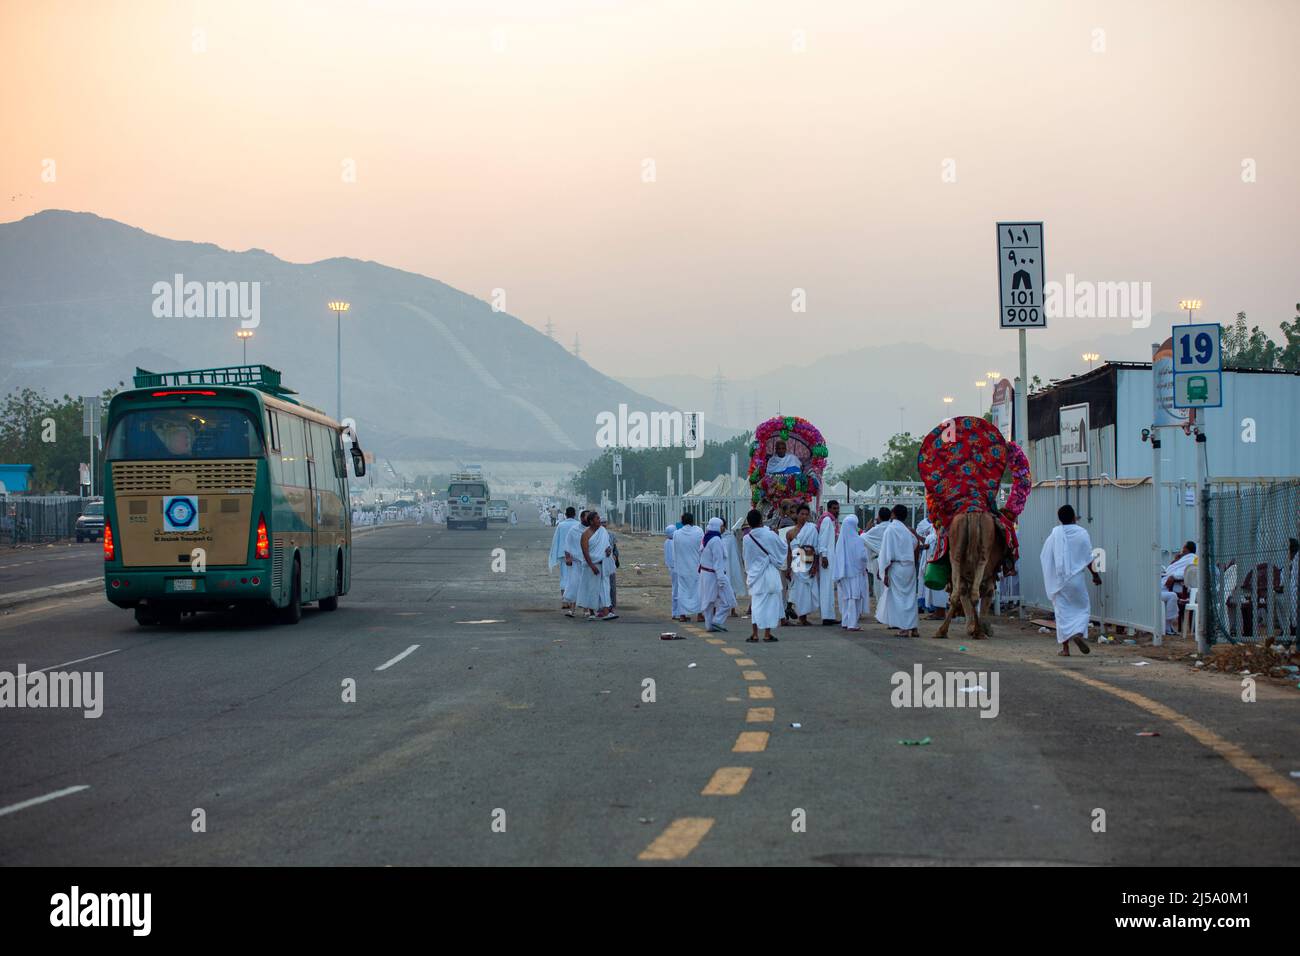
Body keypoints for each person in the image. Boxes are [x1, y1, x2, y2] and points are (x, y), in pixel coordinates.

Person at [1040, 504, 1100, 656]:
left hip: (1060, 581)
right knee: (1082, 608)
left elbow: (1046, 557)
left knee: (1062, 613)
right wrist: (1095, 575)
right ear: (1074, 517)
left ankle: (1065, 649)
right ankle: (1078, 634)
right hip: (1077, 580)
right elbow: (1088, 558)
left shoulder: (1055, 535)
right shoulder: (1082, 533)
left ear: (1060, 519)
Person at [743, 509, 785, 642]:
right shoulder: (770, 535)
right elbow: (783, 548)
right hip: (770, 572)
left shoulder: (746, 538)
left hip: (755, 575)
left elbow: (746, 558)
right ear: (761, 520)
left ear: (749, 523)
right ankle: (767, 634)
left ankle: (755, 634)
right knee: (771, 605)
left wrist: (750, 571)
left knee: (756, 604)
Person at [878, 505, 921, 637]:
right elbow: (915, 543)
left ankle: (904, 628)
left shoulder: (890, 530)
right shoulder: (906, 530)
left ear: (893, 514)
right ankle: (913, 627)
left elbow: (885, 553)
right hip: (909, 566)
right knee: (910, 597)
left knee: (899, 598)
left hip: (897, 566)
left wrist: (884, 571)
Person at [831, 514, 869, 630]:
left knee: (847, 597)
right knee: (854, 597)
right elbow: (862, 557)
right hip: (856, 573)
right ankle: (853, 624)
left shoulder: (840, 540)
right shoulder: (858, 540)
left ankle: (846, 621)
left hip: (844, 573)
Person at [699, 517, 737, 632]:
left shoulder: (706, 538)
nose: (723, 528)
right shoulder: (715, 540)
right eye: (721, 526)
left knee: (709, 601)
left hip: (706, 574)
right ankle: (717, 621)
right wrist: (721, 579)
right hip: (715, 574)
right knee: (729, 600)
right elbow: (718, 562)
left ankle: (709, 625)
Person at [578, 510, 616, 620]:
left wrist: (609, 551)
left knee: (605, 588)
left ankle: (606, 611)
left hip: (603, 563)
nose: (599, 520)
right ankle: (592, 613)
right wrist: (592, 566)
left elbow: (607, 546)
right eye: (597, 519)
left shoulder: (603, 531)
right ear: (591, 521)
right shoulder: (585, 534)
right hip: (591, 565)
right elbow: (585, 552)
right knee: (592, 588)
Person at [786, 503, 818, 626]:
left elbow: (816, 548)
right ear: (797, 515)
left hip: (809, 560)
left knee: (807, 590)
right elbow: (789, 553)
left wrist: (815, 565)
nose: (804, 517)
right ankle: (800, 615)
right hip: (797, 562)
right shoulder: (790, 533)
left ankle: (803, 616)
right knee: (799, 589)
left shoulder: (812, 529)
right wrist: (788, 568)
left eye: (806, 514)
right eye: (802, 514)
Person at [673, 513, 705, 623]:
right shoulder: (699, 531)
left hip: (682, 567)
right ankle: (700, 615)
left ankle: (682, 615)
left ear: (682, 522)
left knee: (682, 591)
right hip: (696, 566)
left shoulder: (676, 534)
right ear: (692, 521)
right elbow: (702, 548)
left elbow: (675, 550)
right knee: (698, 590)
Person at [1160, 541, 1197, 636]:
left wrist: (1173, 576)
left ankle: (1168, 626)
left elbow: (1187, 572)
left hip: (1179, 587)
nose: (1181, 550)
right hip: (1164, 586)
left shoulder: (1192, 559)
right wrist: (1175, 560)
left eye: (1183, 548)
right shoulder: (1183, 559)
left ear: (1187, 549)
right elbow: (1170, 569)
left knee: (1172, 596)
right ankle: (1168, 626)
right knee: (1171, 596)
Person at [549, 507, 580, 610]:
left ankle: (564, 601)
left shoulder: (561, 525)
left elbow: (556, 540)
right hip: (576, 555)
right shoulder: (578, 525)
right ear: (575, 514)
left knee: (564, 577)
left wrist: (555, 554)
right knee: (575, 578)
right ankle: (574, 601)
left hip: (563, 554)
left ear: (565, 515)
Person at [864, 507, 891, 621]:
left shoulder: (876, 529)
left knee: (879, 588)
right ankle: (889, 613)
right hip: (891, 561)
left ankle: (881, 613)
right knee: (889, 587)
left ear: (878, 517)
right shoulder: (891, 527)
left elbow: (863, 538)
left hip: (878, 560)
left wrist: (867, 528)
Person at [816, 500, 840, 625]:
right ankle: (826, 617)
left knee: (829, 588)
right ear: (829, 508)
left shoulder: (831, 521)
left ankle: (829, 615)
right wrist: (824, 556)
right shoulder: (826, 520)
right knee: (826, 588)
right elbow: (822, 539)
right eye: (834, 508)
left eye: (837, 508)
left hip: (830, 557)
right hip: (826, 558)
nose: (837, 511)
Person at [562, 510, 588, 616]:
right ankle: (572, 610)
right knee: (574, 585)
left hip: (589, 563)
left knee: (587, 585)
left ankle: (586, 610)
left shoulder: (592, 531)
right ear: (581, 518)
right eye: (587, 517)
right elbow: (567, 544)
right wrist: (568, 558)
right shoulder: (574, 530)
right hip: (576, 563)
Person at [664, 525, 680, 619]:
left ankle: (675, 612)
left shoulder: (666, 542)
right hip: (676, 568)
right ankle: (677, 613)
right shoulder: (674, 542)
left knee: (675, 590)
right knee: (677, 591)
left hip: (671, 568)